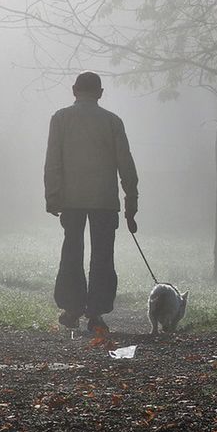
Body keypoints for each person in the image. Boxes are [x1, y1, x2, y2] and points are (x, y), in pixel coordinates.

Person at [44, 71, 138, 332]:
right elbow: (126, 164)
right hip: (104, 200)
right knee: (103, 256)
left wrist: (53, 196)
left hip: (71, 199)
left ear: (74, 90)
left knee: (72, 252)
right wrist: (131, 202)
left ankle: (72, 307)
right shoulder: (112, 121)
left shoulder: (60, 119)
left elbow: (53, 161)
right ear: (100, 93)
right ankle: (96, 312)